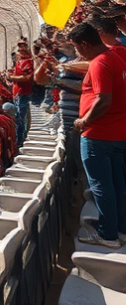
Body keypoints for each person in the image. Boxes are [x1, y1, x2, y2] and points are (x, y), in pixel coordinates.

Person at [68, 23, 126, 247]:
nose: (77, 53)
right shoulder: (115, 56)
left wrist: (84, 121)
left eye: (76, 47)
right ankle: (120, 229)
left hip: (98, 135)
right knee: (117, 185)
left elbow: (103, 100)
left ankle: (107, 235)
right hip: (116, 133)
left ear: (84, 43)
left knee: (102, 186)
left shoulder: (100, 63)